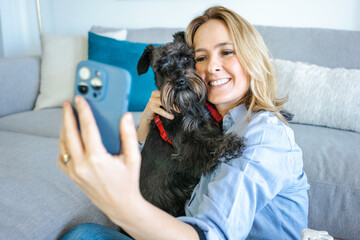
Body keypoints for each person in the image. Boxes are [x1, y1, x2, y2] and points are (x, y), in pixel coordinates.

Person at [58, 6, 310, 240]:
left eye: (226, 52)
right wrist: (146, 121)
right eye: (200, 58)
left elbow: (209, 235)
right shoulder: (218, 121)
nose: (212, 67)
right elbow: (153, 165)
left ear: (251, 57)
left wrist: (120, 205)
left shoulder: (261, 135)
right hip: (179, 223)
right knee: (82, 234)